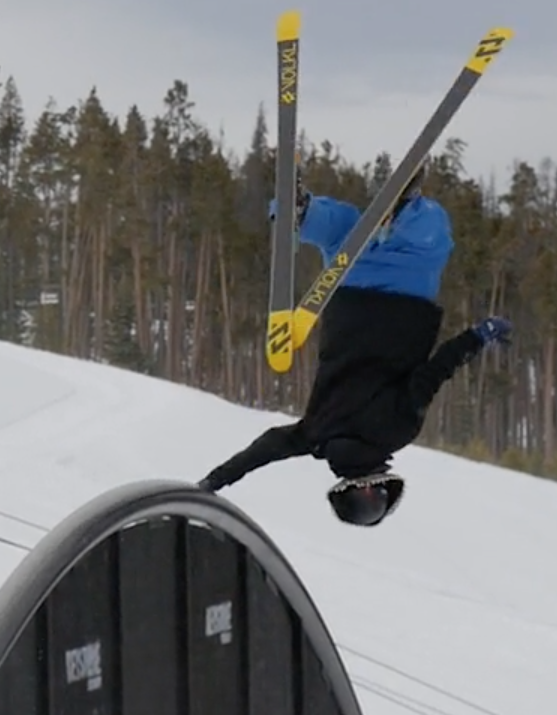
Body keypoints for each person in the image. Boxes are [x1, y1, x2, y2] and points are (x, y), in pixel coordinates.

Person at [197, 158, 512, 526]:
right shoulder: (314, 436)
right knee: (347, 232)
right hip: (346, 293)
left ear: (370, 490)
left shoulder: (394, 432)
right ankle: (306, 216)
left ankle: (407, 208)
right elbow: (264, 450)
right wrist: (214, 481)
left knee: (432, 241)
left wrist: (481, 334)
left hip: (405, 295)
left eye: (381, 498)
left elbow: (437, 370)